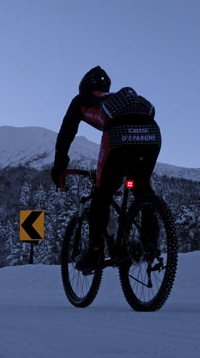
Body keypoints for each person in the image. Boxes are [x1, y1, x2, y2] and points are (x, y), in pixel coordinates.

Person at [51, 66, 161, 271]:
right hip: (152, 134)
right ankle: (150, 243)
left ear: (84, 87)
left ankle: (94, 252)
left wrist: (59, 166)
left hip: (119, 134)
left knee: (102, 193)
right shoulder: (118, 100)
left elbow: (66, 133)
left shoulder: (81, 100)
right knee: (141, 187)